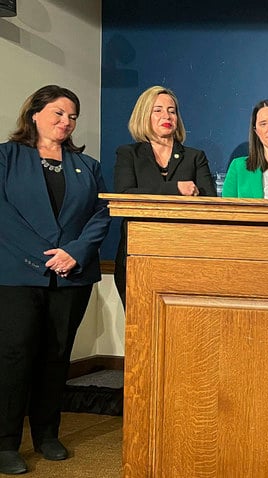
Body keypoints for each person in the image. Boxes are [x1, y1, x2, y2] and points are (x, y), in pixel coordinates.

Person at [0, 85, 111, 474]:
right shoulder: (6, 157)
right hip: (16, 275)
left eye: (72, 116)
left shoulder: (88, 166)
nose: (66, 122)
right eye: (58, 113)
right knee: (14, 357)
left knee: (56, 357)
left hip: (72, 276)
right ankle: (6, 443)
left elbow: (101, 215)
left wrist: (74, 253)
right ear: (35, 113)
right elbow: (4, 215)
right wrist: (45, 254)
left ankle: (47, 435)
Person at [114, 86, 216, 306]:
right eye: (157, 110)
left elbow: (210, 202)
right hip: (137, 256)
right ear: (144, 115)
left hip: (185, 256)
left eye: (172, 111)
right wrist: (176, 189)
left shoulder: (195, 157)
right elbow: (124, 195)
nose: (166, 116)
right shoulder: (128, 154)